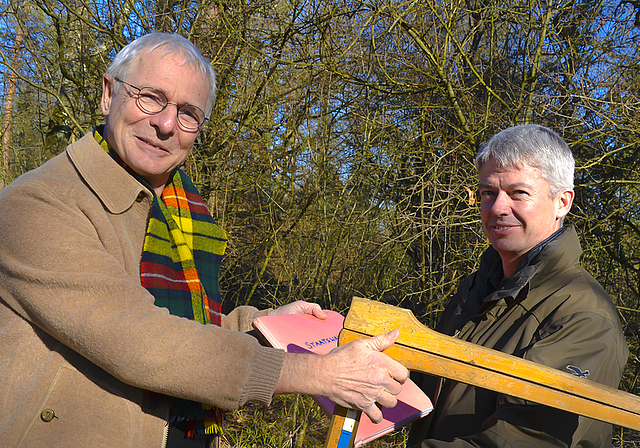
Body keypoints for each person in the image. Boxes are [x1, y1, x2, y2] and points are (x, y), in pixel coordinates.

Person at [0, 32, 408, 448]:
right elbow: (140, 339)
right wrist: (312, 373)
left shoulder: (181, 210)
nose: (165, 124)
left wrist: (263, 326)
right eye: (150, 97)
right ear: (109, 94)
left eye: (188, 113)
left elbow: (187, 325)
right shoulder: (36, 204)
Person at [407, 125, 629, 448]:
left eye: (518, 193)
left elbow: (521, 440)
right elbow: (431, 384)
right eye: (488, 193)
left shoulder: (585, 316)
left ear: (562, 202)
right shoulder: (479, 287)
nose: (497, 207)